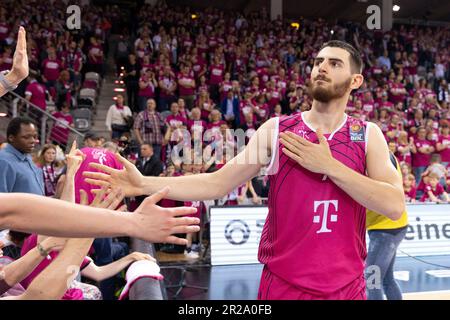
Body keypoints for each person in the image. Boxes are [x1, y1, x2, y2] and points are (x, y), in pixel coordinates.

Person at [84, 41, 405, 300]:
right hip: (285, 284)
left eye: (334, 63)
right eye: (318, 61)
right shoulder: (278, 129)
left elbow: (393, 205)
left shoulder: (367, 134)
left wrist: (329, 167)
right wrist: (143, 183)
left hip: (347, 287)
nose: (322, 68)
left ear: (355, 81)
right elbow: (217, 183)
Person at [365, 153, 408, 300]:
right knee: (386, 278)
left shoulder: (379, 157)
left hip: (386, 228)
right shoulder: (384, 155)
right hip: (391, 226)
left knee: (372, 279)